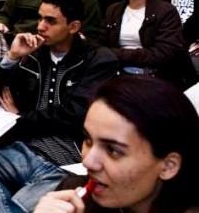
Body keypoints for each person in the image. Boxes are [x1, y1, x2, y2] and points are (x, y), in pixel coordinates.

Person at [0, 0, 119, 212]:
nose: (40, 27)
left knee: (19, 206)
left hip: (64, 162)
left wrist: (21, 118)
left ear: (74, 27)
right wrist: (11, 57)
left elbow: (75, 114)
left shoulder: (98, 60)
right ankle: (4, 203)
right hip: (22, 149)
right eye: (40, 18)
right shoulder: (34, 54)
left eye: (50, 21)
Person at [34, 75, 199, 213]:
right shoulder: (71, 193)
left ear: (168, 166)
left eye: (113, 150)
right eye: (88, 140)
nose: (87, 161)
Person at [100, 0, 196, 89]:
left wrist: (116, 54)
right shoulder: (114, 10)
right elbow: (100, 45)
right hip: (117, 75)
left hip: (156, 78)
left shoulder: (165, 11)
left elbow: (165, 53)